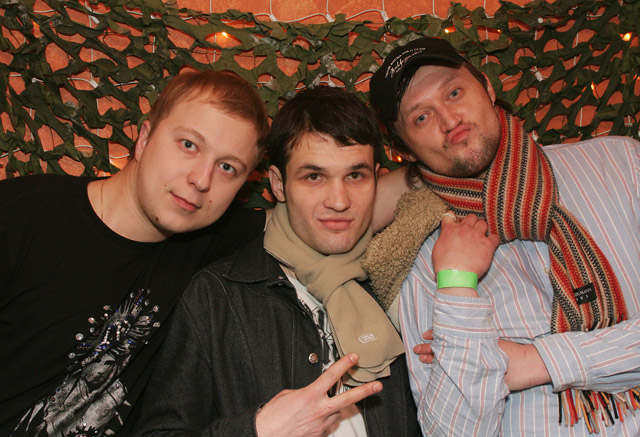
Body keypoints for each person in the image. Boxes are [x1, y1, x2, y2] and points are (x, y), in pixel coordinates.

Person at [363, 36, 640, 435]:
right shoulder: (420, 257)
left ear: (488, 88)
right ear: (403, 150)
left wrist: (537, 362)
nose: (449, 120)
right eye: (421, 117)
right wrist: (457, 283)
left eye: (454, 92)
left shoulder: (621, 165)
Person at [132, 86, 420, 436]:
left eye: (355, 176)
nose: (339, 201)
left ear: (375, 178)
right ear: (278, 184)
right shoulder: (216, 297)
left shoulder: (404, 283)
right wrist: (256, 431)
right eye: (314, 177)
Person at [0, 70, 271, 436]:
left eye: (227, 167)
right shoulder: (21, 216)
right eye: (189, 145)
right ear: (144, 139)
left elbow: (322, 217)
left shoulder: (211, 238)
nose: (202, 179)